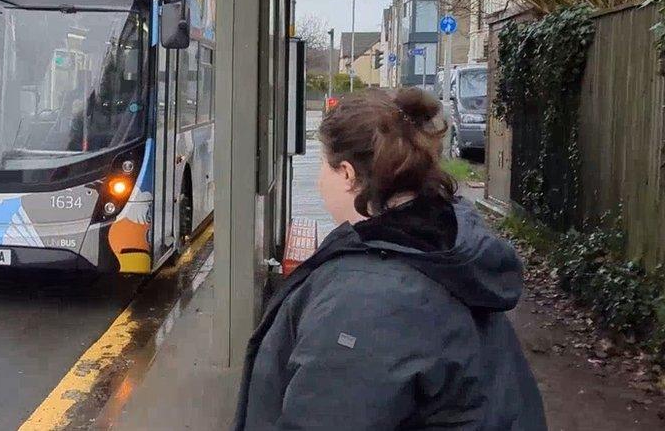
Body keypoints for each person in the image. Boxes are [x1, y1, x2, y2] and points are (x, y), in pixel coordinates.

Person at [233, 88, 546, 430]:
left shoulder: (368, 301)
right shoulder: (442, 245)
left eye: (324, 164)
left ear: (348, 174)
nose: (320, 179)